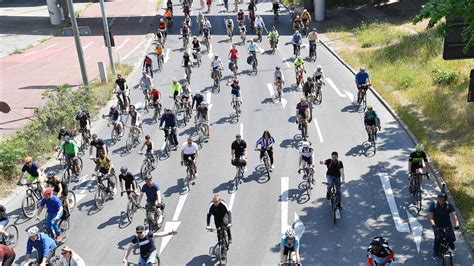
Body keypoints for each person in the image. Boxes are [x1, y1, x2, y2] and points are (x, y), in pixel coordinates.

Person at [428, 191, 460, 258]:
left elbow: (454, 215)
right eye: (440, 199)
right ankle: (435, 250)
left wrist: (457, 224)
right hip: (437, 225)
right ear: (438, 199)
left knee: (450, 236)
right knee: (437, 238)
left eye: (443, 200)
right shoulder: (433, 204)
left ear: (446, 200)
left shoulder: (449, 205)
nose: (441, 201)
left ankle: (450, 242)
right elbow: (431, 217)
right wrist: (433, 224)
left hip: (447, 224)